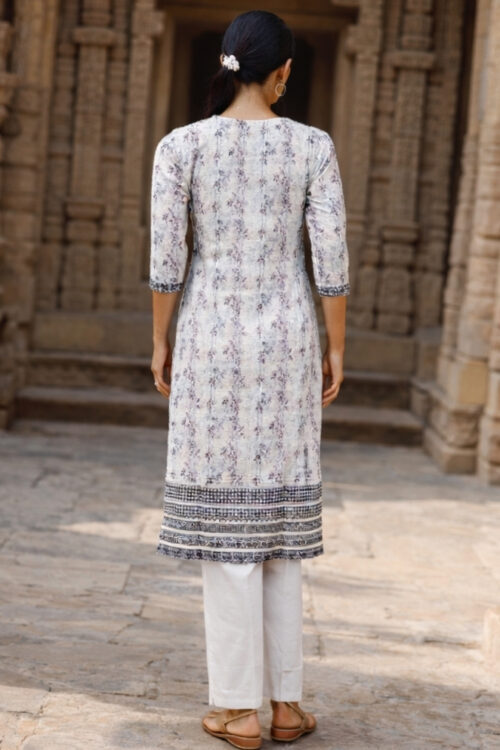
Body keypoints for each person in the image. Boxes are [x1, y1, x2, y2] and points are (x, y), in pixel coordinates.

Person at [149, 10, 349, 749]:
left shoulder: (182, 146)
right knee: (279, 525)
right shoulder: (312, 147)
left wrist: (160, 339)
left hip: (210, 339)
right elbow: (331, 257)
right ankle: (286, 704)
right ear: (283, 72)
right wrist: (335, 348)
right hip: (288, 342)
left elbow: (167, 257)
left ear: (229, 62)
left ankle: (237, 710)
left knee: (225, 525)